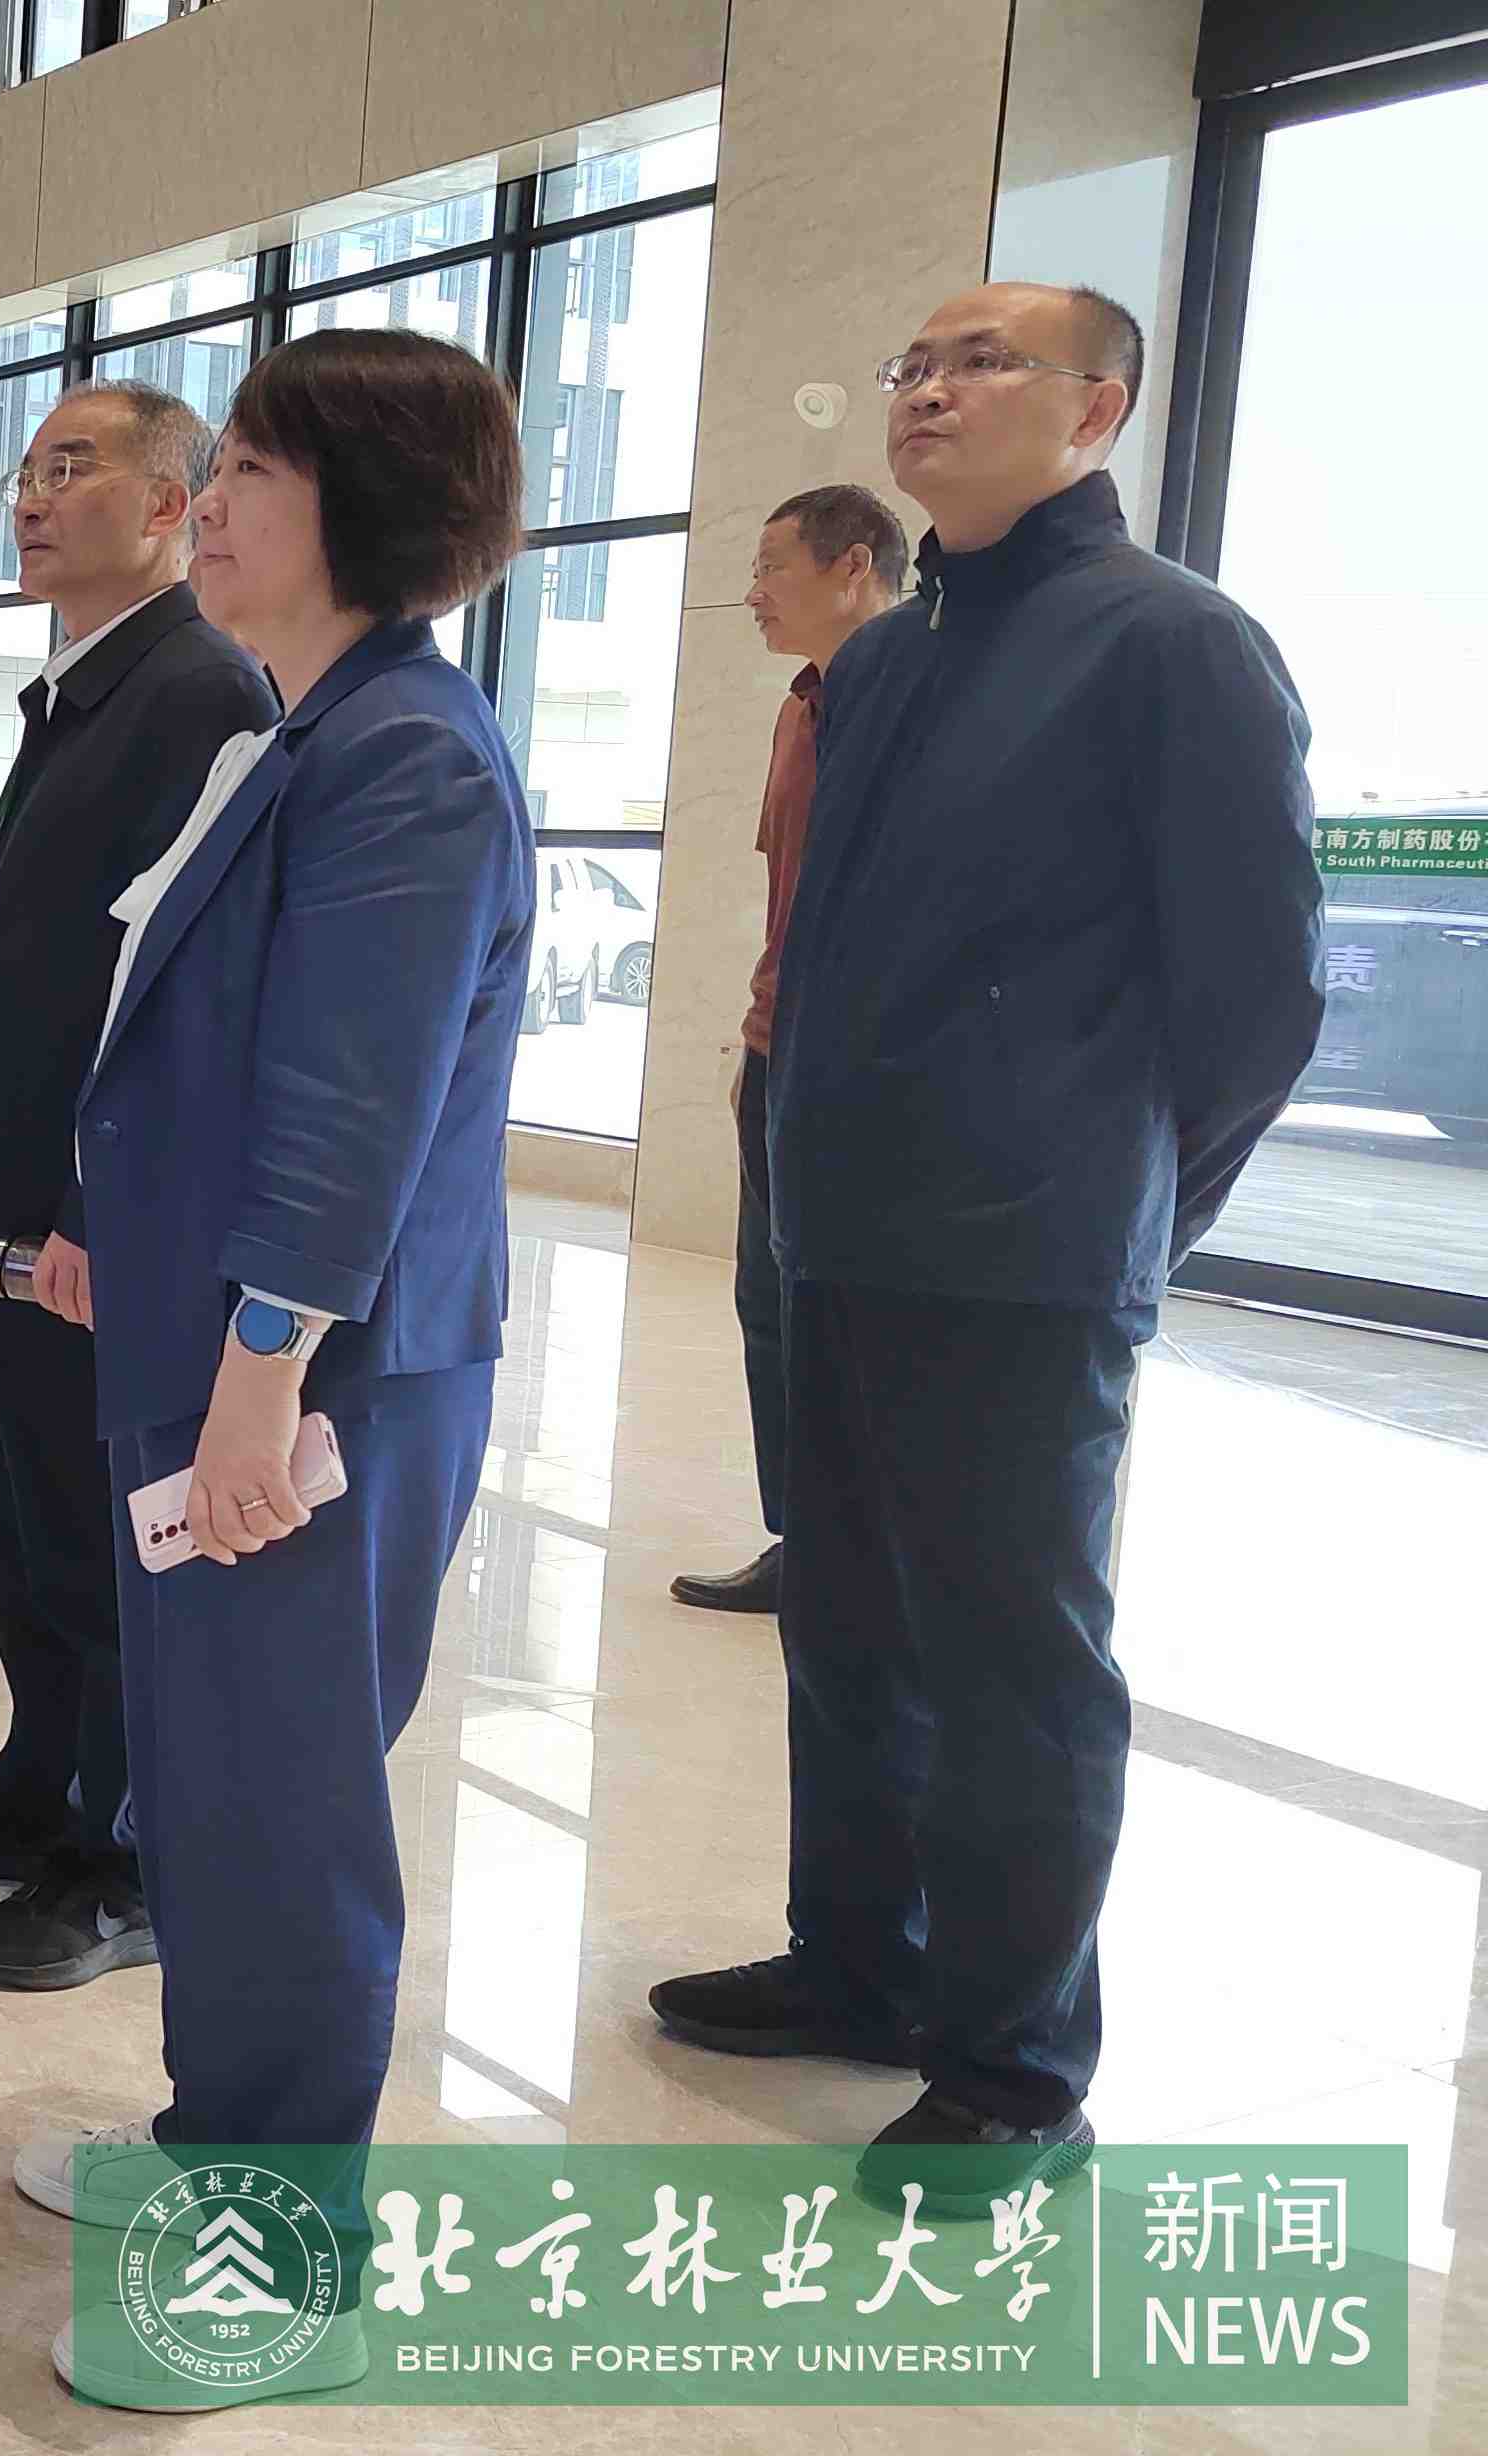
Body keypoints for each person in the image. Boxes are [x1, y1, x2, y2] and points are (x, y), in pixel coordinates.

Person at [651, 285, 1323, 2216]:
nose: (927, 390)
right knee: (846, 1623)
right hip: (837, 1226)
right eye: (911, 365)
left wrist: (1126, 1205)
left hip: (1021, 1251)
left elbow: (1254, 991)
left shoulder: (1173, 644)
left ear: (1095, 408)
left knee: (1011, 1660)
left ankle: (1016, 2068)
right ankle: (859, 1962)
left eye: (979, 364)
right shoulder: (878, 663)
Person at [1, 327, 532, 2415]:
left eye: (250, 471)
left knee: (279, 1796)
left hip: (309, 1379)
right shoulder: (311, 728)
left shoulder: (405, 753)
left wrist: (252, 1378)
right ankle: (217, 2132)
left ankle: (282, 2263)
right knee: (209, 1780)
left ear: (366, 510)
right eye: (213, 465)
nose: (204, 503)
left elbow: (345, 1109)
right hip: (221, 1345)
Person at [0, 379, 279, 1991]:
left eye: (74, 467)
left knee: (98, 1530)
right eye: (25, 473)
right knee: (19, 1511)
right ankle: (42, 1783)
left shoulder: (201, 689)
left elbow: (178, 991)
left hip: (78, 1208)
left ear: (176, 504)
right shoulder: (84, 687)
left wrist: (87, 1204)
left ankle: (123, 1859)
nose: (32, 497)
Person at [672, 485, 907, 1618]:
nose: (753, 592)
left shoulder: (913, 702)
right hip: (780, 1051)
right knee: (767, 1303)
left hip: (861, 1070)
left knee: (847, 1321)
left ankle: (867, 1554)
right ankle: (803, 1543)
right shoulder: (797, 709)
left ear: (852, 567)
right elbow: (789, 897)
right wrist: (757, 1034)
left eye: (772, 567)